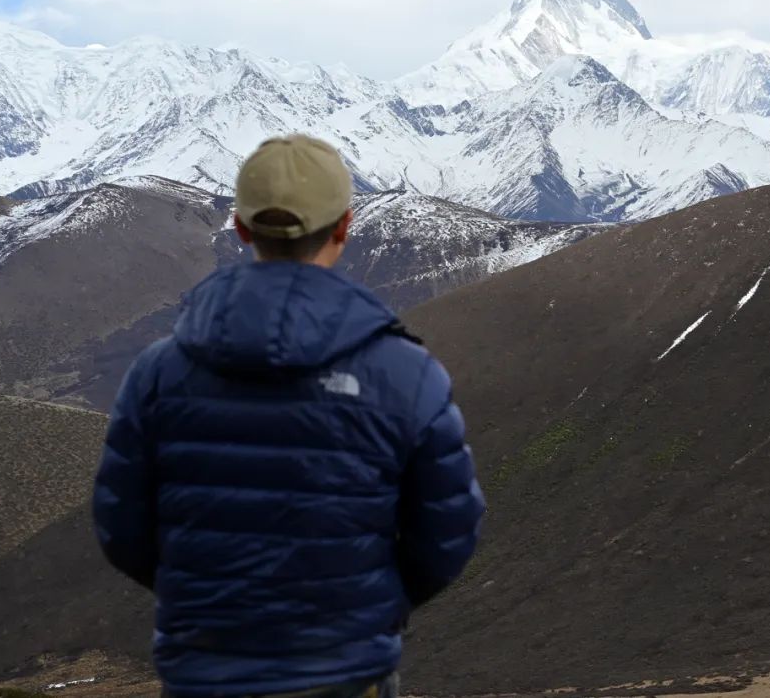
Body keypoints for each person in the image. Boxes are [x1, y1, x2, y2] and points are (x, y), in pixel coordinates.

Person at [92, 135, 485, 698]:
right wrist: (374, 605)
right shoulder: (406, 373)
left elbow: (121, 527)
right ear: (346, 226)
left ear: (242, 227)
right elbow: (449, 529)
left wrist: (205, 598)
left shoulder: (157, 372)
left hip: (203, 673)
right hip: (348, 671)